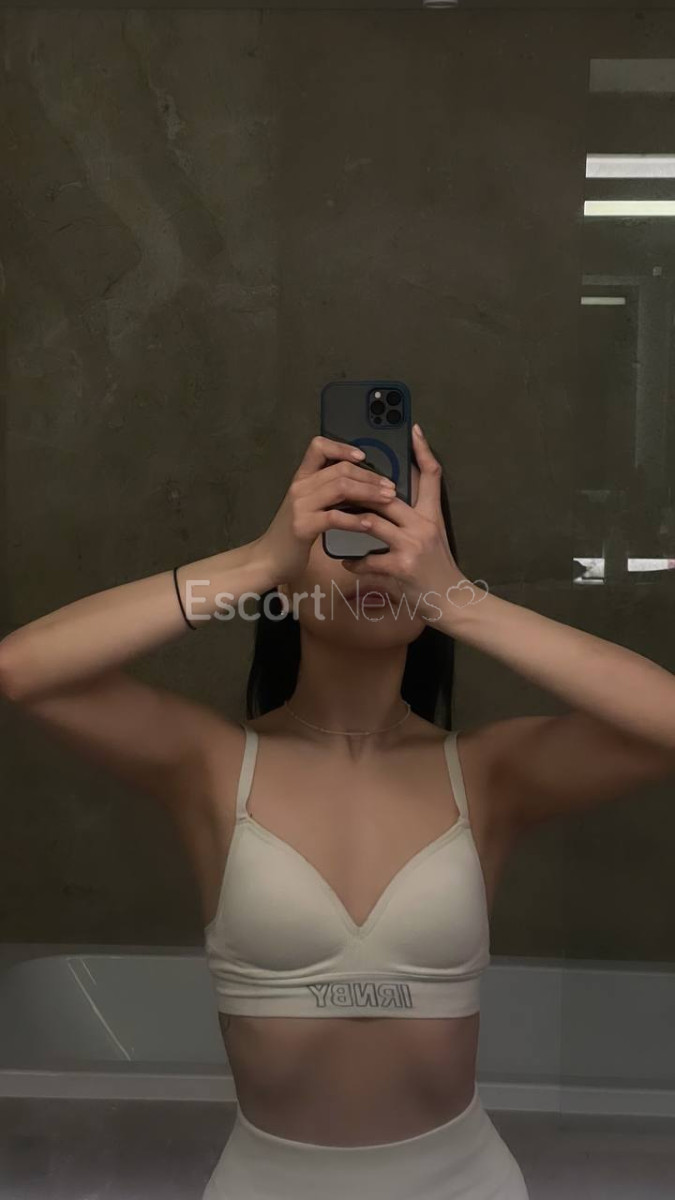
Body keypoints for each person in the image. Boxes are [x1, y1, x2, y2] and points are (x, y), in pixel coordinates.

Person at [2, 423, 675, 1200]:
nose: (376, 554)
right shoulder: (211, 765)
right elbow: (23, 670)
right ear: (287, 575)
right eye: (343, 527)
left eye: (401, 533)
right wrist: (255, 563)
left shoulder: (488, 774)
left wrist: (459, 601)